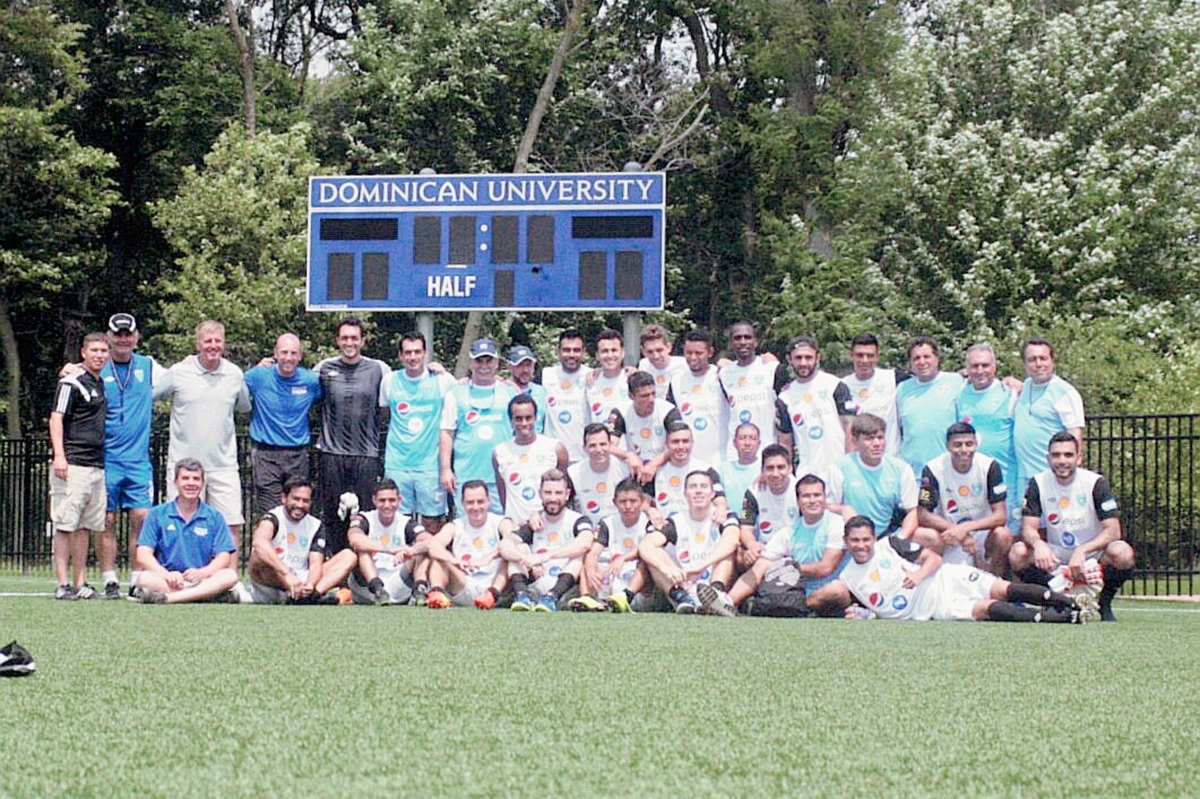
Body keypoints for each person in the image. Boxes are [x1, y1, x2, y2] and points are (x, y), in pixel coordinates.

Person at [835, 516, 1095, 623]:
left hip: (944, 578)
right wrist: (859, 613)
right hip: (934, 609)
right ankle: (1065, 618)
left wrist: (917, 576)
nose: (861, 545)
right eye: (855, 541)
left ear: (873, 537)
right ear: (846, 542)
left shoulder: (890, 544)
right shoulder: (848, 579)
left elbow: (934, 560)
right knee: (983, 608)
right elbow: (862, 606)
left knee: (1000, 588)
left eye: (865, 539)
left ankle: (1068, 601)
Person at [1009, 432, 1135, 621]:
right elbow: (1028, 527)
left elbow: (1113, 530)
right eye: (1056, 455)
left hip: (1092, 553)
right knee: (1018, 553)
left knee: (1123, 553)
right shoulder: (1038, 483)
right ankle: (1058, 599)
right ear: (1048, 458)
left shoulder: (1095, 483)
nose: (1062, 461)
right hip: (1057, 554)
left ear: (1079, 458)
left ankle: (1104, 602)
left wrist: (1082, 551)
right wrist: (1039, 544)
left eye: (1068, 455)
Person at [160, 320, 252, 554]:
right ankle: (182, 581)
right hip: (184, 467)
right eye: (207, 341)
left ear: (224, 343)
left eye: (217, 341)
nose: (213, 346)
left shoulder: (234, 374)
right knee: (180, 525)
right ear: (198, 344)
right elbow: (146, 393)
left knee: (230, 525)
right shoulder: (179, 372)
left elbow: (244, 406)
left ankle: (229, 581)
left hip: (224, 465)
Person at [701, 474, 847, 617]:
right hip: (798, 590)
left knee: (837, 589)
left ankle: (789, 608)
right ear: (798, 500)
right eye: (806, 496)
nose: (812, 500)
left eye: (817, 495)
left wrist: (789, 566)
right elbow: (764, 561)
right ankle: (727, 601)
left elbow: (826, 568)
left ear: (825, 498)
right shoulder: (789, 532)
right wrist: (751, 554)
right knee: (763, 563)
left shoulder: (836, 524)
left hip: (826, 591)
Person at [96, 313, 169, 598]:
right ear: (109, 337)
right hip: (106, 458)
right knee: (107, 520)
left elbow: (179, 376)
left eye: (128, 334)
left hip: (138, 460)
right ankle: (109, 577)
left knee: (141, 517)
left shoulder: (148, 366)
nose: (123, 339)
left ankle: (137, 576)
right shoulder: (99, 367)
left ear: (136, 337)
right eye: (118, 334)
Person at [314, 316, 391, 554]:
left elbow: (399, 393)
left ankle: (362, 572)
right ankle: (338, 571)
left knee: (364, 515)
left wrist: (437, 371)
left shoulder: (379, 369)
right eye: (345, 338)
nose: (350, 342)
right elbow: (295, 383)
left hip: (366, 454)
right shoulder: (323, 368)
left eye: (354, 338)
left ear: (362, 341)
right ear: (337, 340)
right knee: (333, 514)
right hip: (331, 453)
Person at [49, 332, 110, 600]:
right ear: (83, 352)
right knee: (65, 524)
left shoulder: (100, 383)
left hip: (96, 465)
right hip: (74, 463)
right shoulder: (70, 383)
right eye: (94, 350)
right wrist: (60, 456)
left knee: (85, 526)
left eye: (103, 351)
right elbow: (56, 418)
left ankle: (80, 582)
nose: (99, 355)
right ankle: (62, 584)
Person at [134, 459, 241, 604]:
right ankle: (207, 595)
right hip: (168, 580)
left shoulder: (214, 516)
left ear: (202, 484)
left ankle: (169, 598)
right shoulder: (157, 514)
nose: (191, 483)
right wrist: (166, 575)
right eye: (185, 478)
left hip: (202, 579)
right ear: (176, 482)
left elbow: (224, 557)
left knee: (229, 575)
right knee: (144, 579)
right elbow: (143, 554)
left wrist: (203, 573)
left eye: (196, 479)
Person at [638, 470, 740, 613]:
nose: (698, 491)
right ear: (685, 493)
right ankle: (682, 599)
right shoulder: (676, 521)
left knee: (728, 552)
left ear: (712, 494)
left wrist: (700, 567)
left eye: (703, 486)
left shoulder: (725, 516)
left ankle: (716, 595)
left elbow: (732, 541)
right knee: (655, 554)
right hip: (684, 582)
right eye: (693, 487)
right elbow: (645, 546)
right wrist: (666, 569)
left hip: (710, 579)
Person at [918, 422, 1012, 576]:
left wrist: (966, 528)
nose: (964, 450)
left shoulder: (989, 466)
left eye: (969, 444)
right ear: (947, 446)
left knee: (1003, 535)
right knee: (922, 535)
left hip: (981, 531)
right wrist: (958, 532)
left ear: (976, 444)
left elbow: (1001, 516)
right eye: (957, 445)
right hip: (950, 532)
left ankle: (996, 580)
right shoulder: (932, 469)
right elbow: (923, 514)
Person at [243, 333, 322, 517]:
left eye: (293, 353)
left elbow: (324, 400)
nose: (288, 358)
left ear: (300, 356)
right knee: (270, 514)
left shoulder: (310, 381)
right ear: (275, 353)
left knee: (298, 510)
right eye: (284, 352)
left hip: (298, 456)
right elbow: (229, 382)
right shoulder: (258, 376)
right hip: (266, 455)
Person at [382, 331, 455, 526]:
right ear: (400, 356)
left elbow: (462, 399)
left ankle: (430, 557)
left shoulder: (442, 380)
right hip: (397, 464)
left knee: (432, 522)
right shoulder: (389, 381)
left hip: (430, 466)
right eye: (407, 352)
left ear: (425, 353)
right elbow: (384, 416)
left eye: (417, 352)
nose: (412, 357)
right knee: (398, 521)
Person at [247, 475, 358, 604]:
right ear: (284, 498)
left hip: (301, 579)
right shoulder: (272, 518)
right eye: (296, 499)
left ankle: (312, 596)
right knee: (257, 556)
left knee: (349, 556)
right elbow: (259, 542)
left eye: (305, 501)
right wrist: (286, 574)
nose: (300, 505)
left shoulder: (315, 525)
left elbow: (316, 563)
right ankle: (293, 595)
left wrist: (310, 584)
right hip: (275, 580)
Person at [500, 469, 595, 612]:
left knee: (580, 554)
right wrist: (526, 559)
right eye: (548, 493)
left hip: (565, 588)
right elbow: (504, 545)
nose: (553, 498)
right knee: (518, 549)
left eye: (558, 493)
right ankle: (522, 596)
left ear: (567, 494)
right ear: (540, 494)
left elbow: (585, 542)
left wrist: (545, 556)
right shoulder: (534, 523)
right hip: (537, 583)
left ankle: (552, 597)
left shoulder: (578, 520)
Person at [440, 338, 517, 513]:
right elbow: (447, 432)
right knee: (467, 528)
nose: (484, 365)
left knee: (504, 527)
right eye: (479, 360)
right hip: (467, 475)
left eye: (489, 360)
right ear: (470, 362)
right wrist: (445, 469)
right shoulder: (456, 393)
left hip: (502, 476)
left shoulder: (510, 392)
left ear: (497, 363)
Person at [826, 414, 920, 541]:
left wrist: (899, 539)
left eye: (880, 438)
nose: (877, 444)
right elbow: (827, 507)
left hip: (888, 535)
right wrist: (843, 509)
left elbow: (912, 511)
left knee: (931, 537)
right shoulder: (840, 468)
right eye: (869, 439)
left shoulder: (901, 469)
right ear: (855, 441)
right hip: (852, 537)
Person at [1012, 338, 1085, 503]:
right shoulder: (1026, 386)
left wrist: (1069, 472)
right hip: (1024, 477)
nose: (1038, 364)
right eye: (1032, 359)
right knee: (1027, 525)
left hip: (1053, 477)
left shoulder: (1065, 392)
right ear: (1025, 364)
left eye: (1043, 358)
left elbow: (1075, 435)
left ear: (1052, 361)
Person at [775, 335, 855, 482]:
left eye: (808, 357)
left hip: (841, 473)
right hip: (807, 476)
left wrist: (850, 467)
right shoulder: (784, 398)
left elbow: (850, 428)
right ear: (789, 359)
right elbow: (785, 442)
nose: (803, 363)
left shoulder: (835, 386)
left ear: (817, 357)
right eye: (798, 358)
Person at [954, 343, 1020, 521]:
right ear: (967, 369)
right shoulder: (960, 393)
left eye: (985, 365)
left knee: (1007, 534)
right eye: (975, 366)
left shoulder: (1010, 393)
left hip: (1006, 478)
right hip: (972, 481)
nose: (980, 370)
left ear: (995, 367)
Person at [346, 479, 437, 605]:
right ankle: (378, 589)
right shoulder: (364, 518)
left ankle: (420, 590)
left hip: (397, 581)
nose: (387, 505)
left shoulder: (406, 522)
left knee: (422, 551)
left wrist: (410, 550)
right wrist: (389, 550)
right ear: (374, 501)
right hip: (367, 586)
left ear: (399, 501)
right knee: (362, 549)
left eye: (392, 500)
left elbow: (430, 541)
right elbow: (354, 539)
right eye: (382, 500)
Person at [572, 477, 655, 612]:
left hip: (634, 570)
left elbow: (646, 547)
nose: (628, 506)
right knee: (586, 558)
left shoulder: (648, 522)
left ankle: (626, 596)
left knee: (646, 562)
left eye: (633, 501)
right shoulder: (607, 523)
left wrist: (623, 558)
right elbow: (594, 551)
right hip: (611, 568)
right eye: (623, 502)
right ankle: (587, 598)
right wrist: (591, 570)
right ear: (615, 503)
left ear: (642, 502)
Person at [425, 480, 511, 609]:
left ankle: (491, 595)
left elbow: (513, 541)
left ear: (489, 501)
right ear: (463, 504)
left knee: (510, 556)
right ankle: (437, 595)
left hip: (495, 584)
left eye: (480, 502)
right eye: (470, 503)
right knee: (439, 558)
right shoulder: (455, 526)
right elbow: (433, 546)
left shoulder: (501, 522)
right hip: (464, 582)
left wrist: (489, 557)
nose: (476, 507)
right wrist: (454, 560)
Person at [492, 394, 569, 526]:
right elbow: (503, 492)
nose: (524, 423)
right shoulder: (500, 453)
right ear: (510, 420)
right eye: (518, 419)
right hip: (517, 527)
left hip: (549, 526)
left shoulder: (555, 448)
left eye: (528, 418)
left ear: (536, 418)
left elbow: (564, 489)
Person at [718, 321, 788, 460]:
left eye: (747, 337)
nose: (743, 342)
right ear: (731, 343)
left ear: (756, 342)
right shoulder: (724, 374)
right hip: (735, 456)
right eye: (737, 338)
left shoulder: (771, 369)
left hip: (768, 452)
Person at [894, 336, 963, 474]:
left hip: (947, 471)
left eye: (927, 356)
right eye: (916, 358)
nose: (922, 362)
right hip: (913, 473)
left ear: (937, 359)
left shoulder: (956, 381)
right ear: (910, 363)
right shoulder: (902, 389)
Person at [667, 327, 728, 463]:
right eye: (689, 353)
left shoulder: (722, 376)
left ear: (710, 352)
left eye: (698, 353)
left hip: (723, 459)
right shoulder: (676, 381)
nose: (693, 358)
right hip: (690, 460)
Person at [605, 370, 682, 477]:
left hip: (664, 467)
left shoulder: (669, 410)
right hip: (636, 468)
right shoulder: (620, 412)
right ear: (631, 396)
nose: (651, 399)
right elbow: (608, 445)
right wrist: (628, 455)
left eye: (653, 394)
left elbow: (679, 444)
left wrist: (654, 464)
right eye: (644, 396)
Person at [736, 444, 799, 570]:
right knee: (739, 555)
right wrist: (752, 545)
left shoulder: (800, 489)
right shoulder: (753, 492)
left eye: (781, 467)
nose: (775, 474)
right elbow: (746, 526)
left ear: (790, 469)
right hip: (766, 549)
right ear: (762, 471)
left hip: (795, 550)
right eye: (770, 468)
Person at [841, 332, 903, 457]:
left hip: (891, 460)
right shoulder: (841, 386)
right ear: (851, 356)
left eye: (870, 356)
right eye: (860, 355)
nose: (865, 360)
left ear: (877, 357)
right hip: (860, 464)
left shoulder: (894, 378)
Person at [650, 421, 727, 522]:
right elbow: (644, 498)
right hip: (665, 530)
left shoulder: (707, 470)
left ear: (692, 443)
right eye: (675, 442)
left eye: (685, 441)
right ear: (667, 445)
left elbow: (719, 498)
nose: (681, 447)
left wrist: (721, 507)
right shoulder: (656, 471)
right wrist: (650, 510)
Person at [541, 329, 592, 464]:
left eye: (576, 350)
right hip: (552, 458)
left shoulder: (593, 376)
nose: (571, 354)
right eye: (566, 350)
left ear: (583, 352)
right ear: (558, 351)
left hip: (584, 458)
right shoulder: (545, 375)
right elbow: (522, 387)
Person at [568, 423, 633, 525]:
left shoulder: (626, 470)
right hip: (588, 533)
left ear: (610, 445)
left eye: (603, 444)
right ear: (584, 448)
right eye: (592, 446)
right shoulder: (572, 474)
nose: (598, 450)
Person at [585, 329, 629, 424]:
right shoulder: (589, 381)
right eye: (604, 351)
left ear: (623, 353)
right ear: (597, 355)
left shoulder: (632, 379)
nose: (610, 355)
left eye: (614, 350)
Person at [719, 423, 762, 518]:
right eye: (742, 438)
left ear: (759, 443)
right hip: (732, 525)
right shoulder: (723, 470)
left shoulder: (765, 469)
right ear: (734, 443)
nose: (747, 443)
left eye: (752, 438)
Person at [637, 324, 686, 400]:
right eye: (650, 352)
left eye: (659, 350)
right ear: (643, 351)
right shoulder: (642, 366)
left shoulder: (684, 365)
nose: (656, 356)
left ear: (669, 347)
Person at [507, 345, 547, 433]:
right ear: (510, 367)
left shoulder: (542, 392)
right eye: (520, 365)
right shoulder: (503, 391)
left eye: (528, 365)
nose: (525, 370)